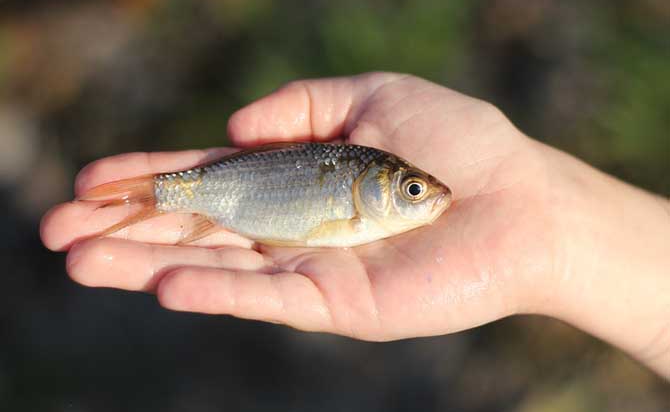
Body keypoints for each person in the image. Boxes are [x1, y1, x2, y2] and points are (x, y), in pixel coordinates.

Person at [40, 72, 670, 378]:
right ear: (369, 187)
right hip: (233, 193)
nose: (427, 197)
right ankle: (145, 197)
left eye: (414, 187)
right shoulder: (350, 197)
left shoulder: (364, 193)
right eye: (413, 189)